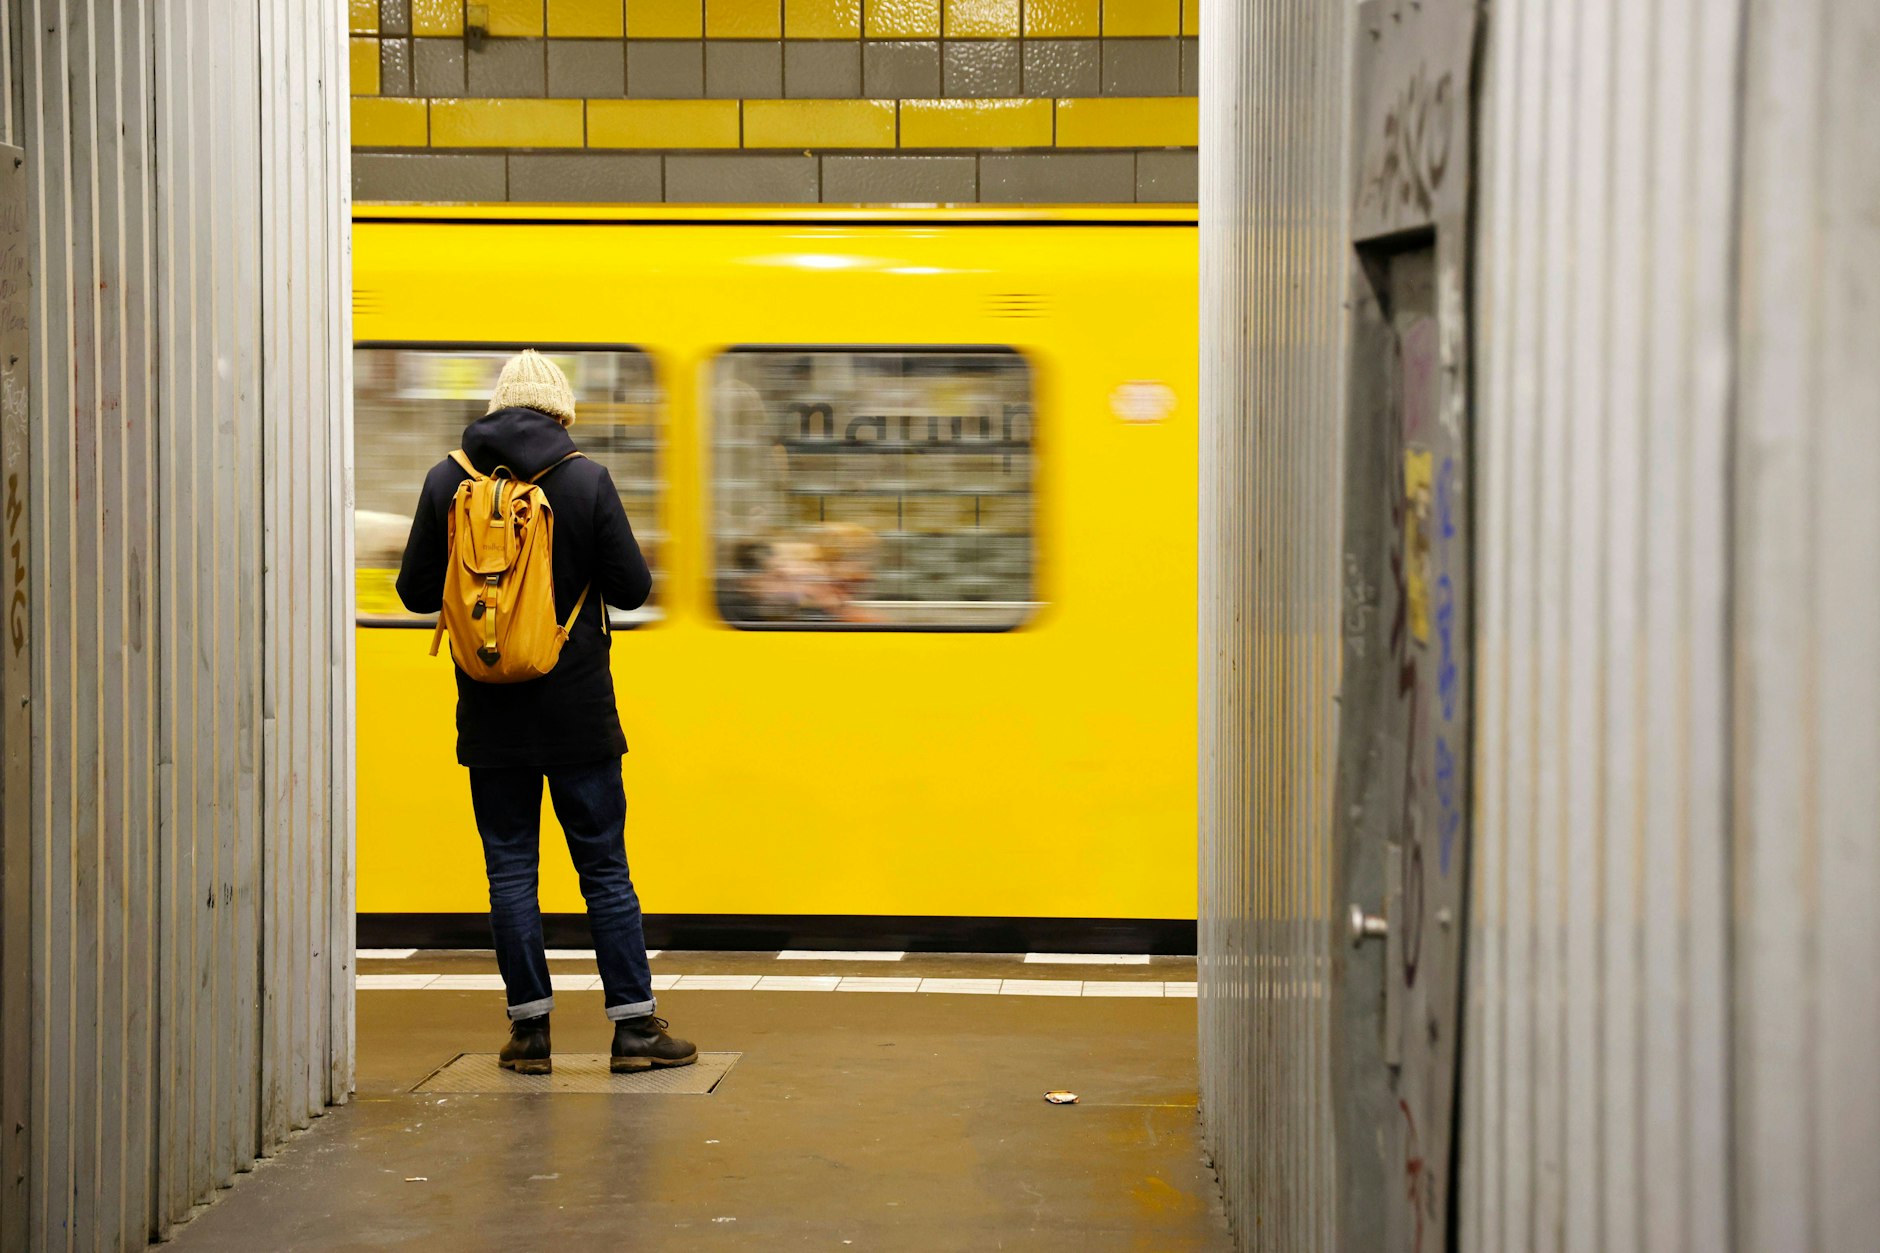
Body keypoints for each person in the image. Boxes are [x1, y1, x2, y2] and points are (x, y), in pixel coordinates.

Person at [395, 349, 695, 1075]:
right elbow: (631, 587)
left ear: (497, 407)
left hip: (490, 715)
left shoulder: (447, 480)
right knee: (604, 869)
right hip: (578, 715)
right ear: (561, 412)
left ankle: (529, 1033)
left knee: (509, 870)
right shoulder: (585, 479)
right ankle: (632, 1029)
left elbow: (411, 591)